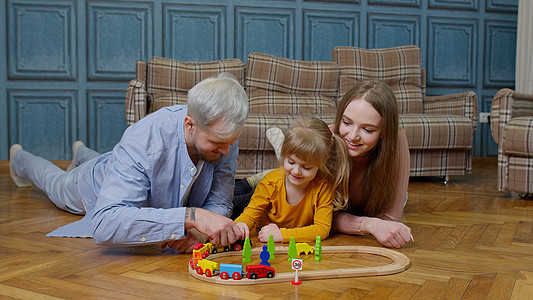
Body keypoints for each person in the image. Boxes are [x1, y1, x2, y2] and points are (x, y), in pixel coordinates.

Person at [9, 72, 248, 253]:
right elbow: (105, 224)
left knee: (111, 160)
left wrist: (200, 233)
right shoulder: (143, 141)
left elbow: (219, 200)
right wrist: (192, 217)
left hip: (121, 163)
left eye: (231, 142)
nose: (226, 150)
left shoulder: (224, 136)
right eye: (217, 142)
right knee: (55, 182)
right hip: (92, 183)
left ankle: (81, 151)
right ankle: (19, 159)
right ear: (189, 125)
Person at [234, 118, 351, 243]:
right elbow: (250, 214)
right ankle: (249, 182)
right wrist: (240, 225)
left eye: (306, 167)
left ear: (324, 160)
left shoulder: (323, 187)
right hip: (252, 199)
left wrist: (281, 235)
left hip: (279, 237)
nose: (296, 171)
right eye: (291, 162)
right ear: (285, 154)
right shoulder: (270, 182)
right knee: (234, 201)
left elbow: (322, 229)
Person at [330, 80, 412, 248]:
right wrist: (369, 225)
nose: (352, 136)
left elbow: (390, 218)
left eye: (367, 130)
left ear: (384, 132)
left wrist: (375, 224)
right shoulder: (327, 138)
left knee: (402, 198)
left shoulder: (396, 139)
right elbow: (314, 216)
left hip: (371, 201)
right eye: (346, 122)